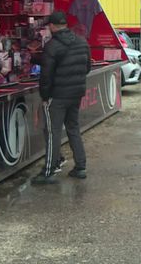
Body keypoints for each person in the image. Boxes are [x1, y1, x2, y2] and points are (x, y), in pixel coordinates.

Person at [32, 11, 91, 184]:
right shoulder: (81, 41)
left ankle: (49, 171)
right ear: (65, 24)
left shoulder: (52, 46)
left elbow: (46, 76)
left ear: (51, 26)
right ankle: (80, 167)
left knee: (53, 132)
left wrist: (45, 95)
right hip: (76, 94)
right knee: (73, 129)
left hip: (57, 96)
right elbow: (87, 67)